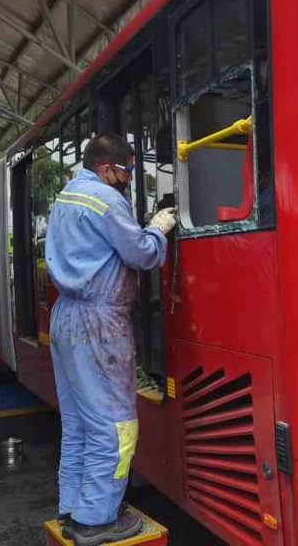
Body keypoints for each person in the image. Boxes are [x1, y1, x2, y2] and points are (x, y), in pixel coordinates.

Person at [45, 133, 176, 546]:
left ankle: (75, 505)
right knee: (117, 426)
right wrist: (158, 230)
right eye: (127, 171)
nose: (129, 180)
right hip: (99, 323)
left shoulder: (66, 197)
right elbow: (141, 254)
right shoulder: (105, 199)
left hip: (66, 317)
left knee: (79, 422)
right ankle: (96, 519)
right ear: (107, 169)